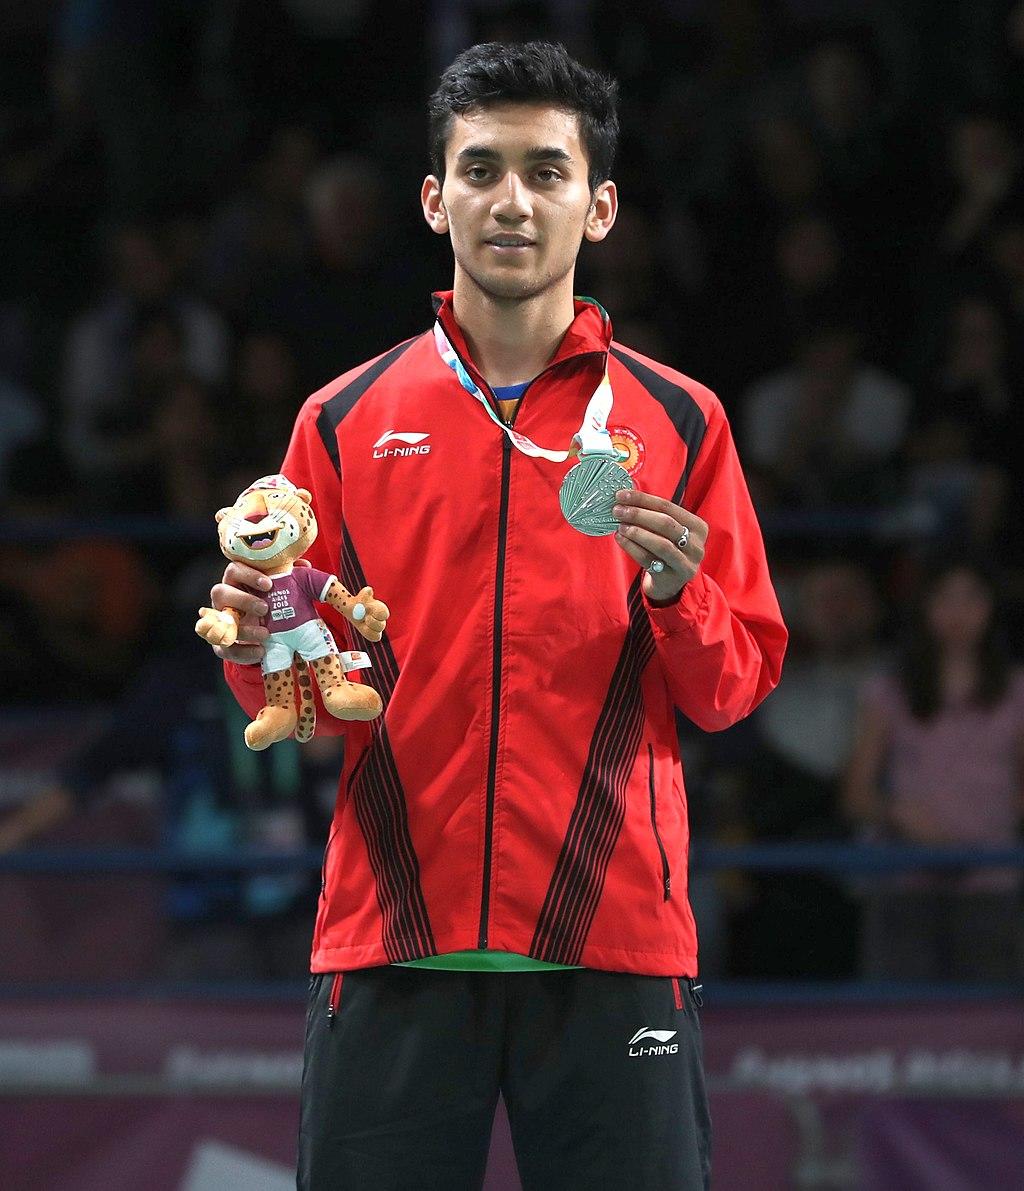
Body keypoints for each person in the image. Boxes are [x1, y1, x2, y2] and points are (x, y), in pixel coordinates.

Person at [202, 41, 787, 1191]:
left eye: (545, 171)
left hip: (613, 938)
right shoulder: (342, 419)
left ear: (599, 204)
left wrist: (679, 599)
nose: (511, 200)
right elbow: (304, 697)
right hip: (390, 939)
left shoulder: (680, 421)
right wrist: (267, 645)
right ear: (434, 198)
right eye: (479, 169)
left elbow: (733, 687)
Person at [844, 558, 1024, 982]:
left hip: (991, 883)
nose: (958, 613)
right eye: (945, 598)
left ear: (991, 608)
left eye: (972, 599)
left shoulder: (1017, 691)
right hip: (907, 881)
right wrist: (897, 815)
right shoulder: (889, 689)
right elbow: (856, 795)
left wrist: (988, 830)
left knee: (986, 1028)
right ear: (925, 607)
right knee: (900, 1022)